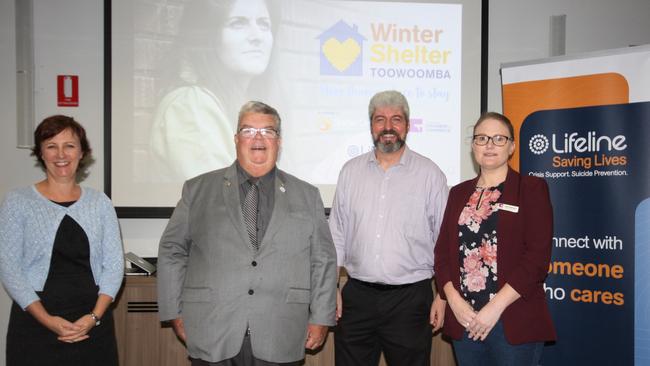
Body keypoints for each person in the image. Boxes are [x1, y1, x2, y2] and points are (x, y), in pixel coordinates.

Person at [157, 101, 337, 365]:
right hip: (211, 328)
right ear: (236, 139)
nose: (258, 138)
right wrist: (174, 311)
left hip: (281, 330)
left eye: (268, 131)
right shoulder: (198, 190)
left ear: (279, 141)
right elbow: (172, 250)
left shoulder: (307, 195)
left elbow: (323, 260)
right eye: (248, 130)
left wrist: (321, 317)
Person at [329, 90, 449, 366]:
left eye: (396, 119)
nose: (388, 127)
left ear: (407, 125)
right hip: (356, 298)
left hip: (410, 299)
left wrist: (442, 295)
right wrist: (331, 286)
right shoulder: (350, 172)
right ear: (371, 126)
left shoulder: (430, 175)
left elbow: (445, 242)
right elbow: (336, 233)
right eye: (380, 119)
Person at [0, 115, 124, 366]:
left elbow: (114, 266)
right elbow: (9, 268)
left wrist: (93, 317)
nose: (61, 154)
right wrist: (48, 320)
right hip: (35, 324)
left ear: (82, 152)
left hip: (92, 324)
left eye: (69, 145)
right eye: (51, 146)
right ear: (41, 154)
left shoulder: (100, 203)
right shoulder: (18, 202)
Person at [433, 112, 556, 366]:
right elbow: (442, 254)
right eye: (482, 138)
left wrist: (493, 309)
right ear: (473, 146)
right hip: (465, 319)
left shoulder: (531, 189)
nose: (489, 145)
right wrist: (453, 301)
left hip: (511, 319)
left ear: (511, 146)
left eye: (499, 138)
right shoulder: (457, 193)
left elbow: (537, 259)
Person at [150, 0, 278, 181]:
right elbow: (221, 200)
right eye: (238, 23)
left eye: (264, 24)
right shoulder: (190, 107)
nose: (257, 36)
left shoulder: (245, 104)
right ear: (208, 36)